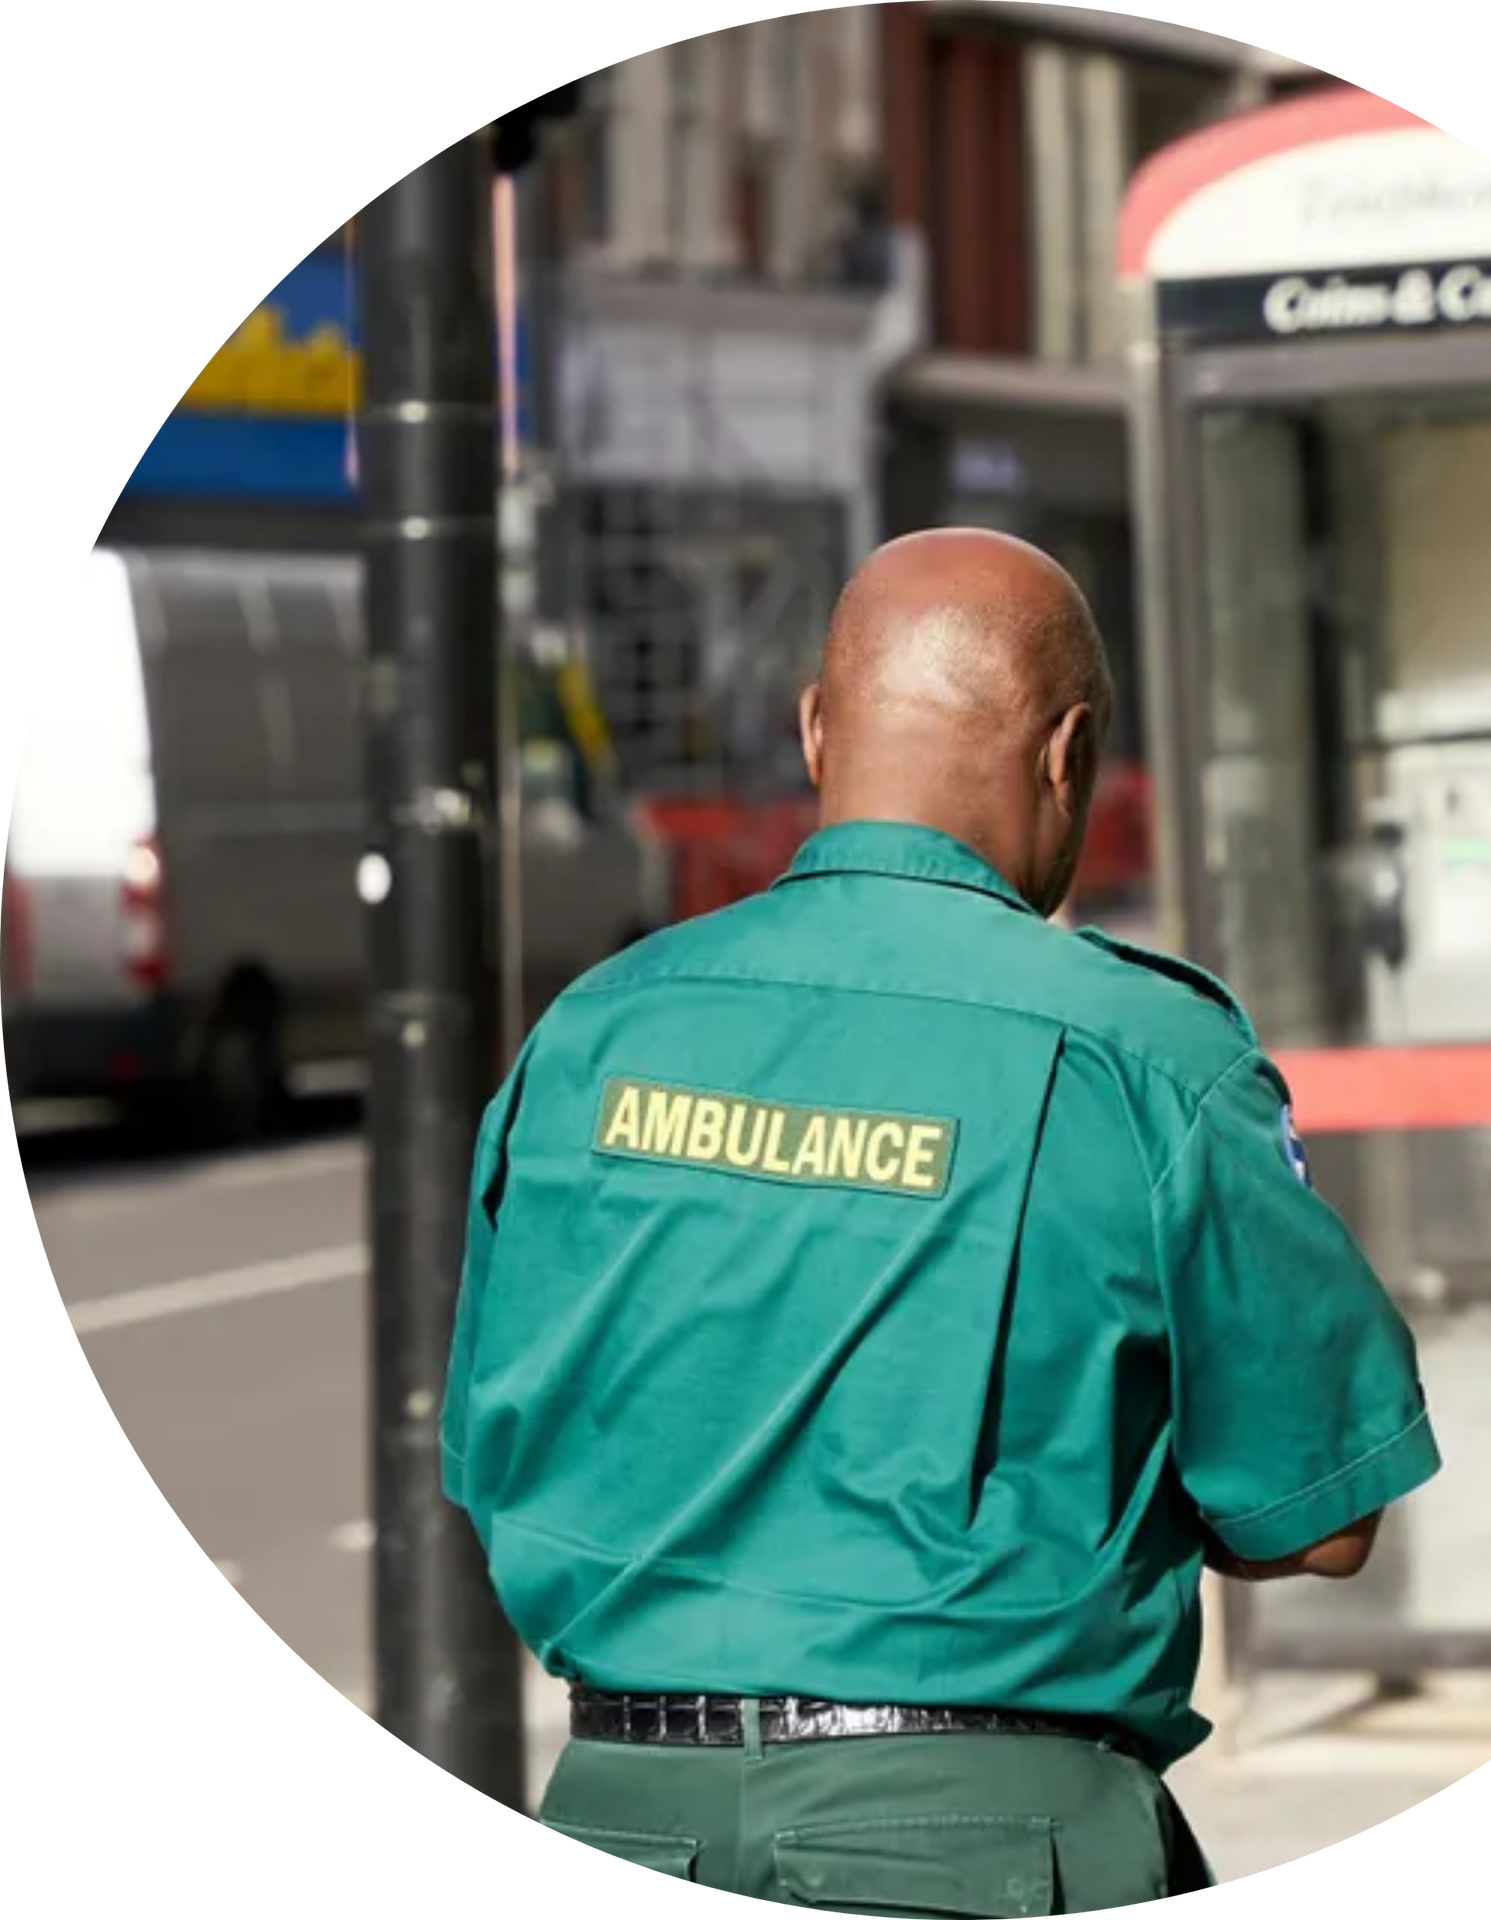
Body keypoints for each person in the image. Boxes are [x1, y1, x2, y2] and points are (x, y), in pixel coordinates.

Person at [443, 528, 1440, 1905]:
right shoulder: (1150, 1057)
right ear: (1068, 754)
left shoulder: (590, 1034)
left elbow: (498, 1455)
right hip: (985, 1841)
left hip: (623, 1809)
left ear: (813, 733)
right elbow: (1319, 1514)